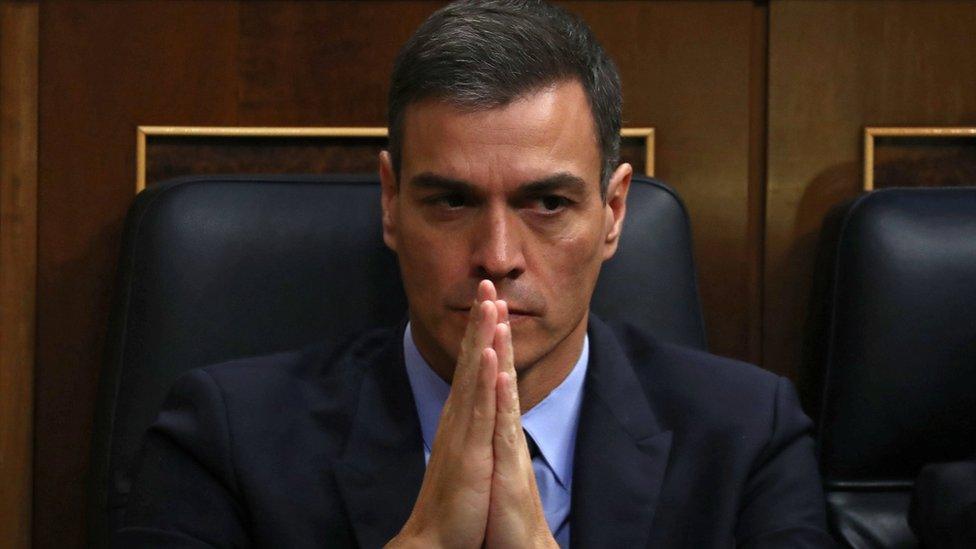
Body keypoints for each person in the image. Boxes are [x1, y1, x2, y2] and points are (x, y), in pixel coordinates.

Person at [117, 1, 834, 547]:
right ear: (392, 204)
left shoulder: (748, 438)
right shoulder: (227, 438)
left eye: (547, 203)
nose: (497, 254)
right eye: (452, 201)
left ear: (614, 211)